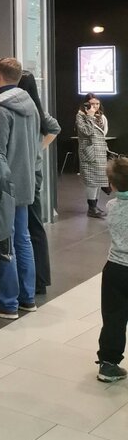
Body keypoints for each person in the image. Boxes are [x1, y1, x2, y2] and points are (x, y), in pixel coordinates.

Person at [0, 58, 40, 320]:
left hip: (4, 188)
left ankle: (7, 302)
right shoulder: (30, 105)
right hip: (26, 182)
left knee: (4, 242)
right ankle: (27, 298)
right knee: (23, 239)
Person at [18, 71, 60, 295]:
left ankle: (36, 280)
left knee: (29, 227)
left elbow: (55, 128)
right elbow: (54, 128)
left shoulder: (26, 110)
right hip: (34, 171)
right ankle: (39, 279)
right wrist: (38, 149)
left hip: (27, 173)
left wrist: (37, 149)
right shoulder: (37, 109)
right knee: (34, 226)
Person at [96, 155, 128, 383]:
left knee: (113, 318)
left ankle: (108, 364)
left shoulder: (111, 206)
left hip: (114, 269)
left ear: (112, 185)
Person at [76, 95, 111, 218]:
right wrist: (90, 116)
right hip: (89, 152)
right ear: (86, 104)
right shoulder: (80, 116)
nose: (95, 106)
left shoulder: (102, 117)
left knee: (99, 180)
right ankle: (91, 208)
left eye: (97, 103)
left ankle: (95, 206)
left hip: (100, 151)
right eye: (92, 103)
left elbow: (103, 133)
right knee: (92, 181)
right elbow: (87, 132)